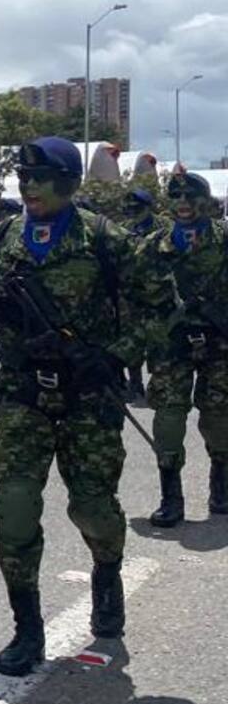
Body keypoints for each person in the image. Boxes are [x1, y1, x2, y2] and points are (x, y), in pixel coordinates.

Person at [0, 137, 173, 677]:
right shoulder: (6, 236)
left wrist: (116, 357)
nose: (27, 185)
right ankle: (27, 628)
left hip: (87, 398)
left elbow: (160, 304)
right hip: (23, 395)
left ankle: (107, 574)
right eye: (22, 175)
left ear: (69, 182)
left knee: (93, 508)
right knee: (13, 508)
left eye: (40, 176)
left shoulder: (105, 240)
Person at [137, 172, 228, 527]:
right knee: (169, 420)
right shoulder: (152, 247)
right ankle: (170, 495)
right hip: (170, 346)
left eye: (192, 197)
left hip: (221, 344)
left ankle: (221, 481)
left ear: (207, 202)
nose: (184, 203)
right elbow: (132, 295)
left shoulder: (223, 241)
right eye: (176, 196)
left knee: (219, 416)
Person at [121, 187, 165, 403]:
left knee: (158, 343)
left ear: (148, 208)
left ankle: (158, 386)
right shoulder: (124, 229)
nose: (132, 212)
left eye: (136, 208)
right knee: (132, 345)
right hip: (132, 297)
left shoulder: (165, 228)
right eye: (128, 208)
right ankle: (135, 384)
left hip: (159, 296)